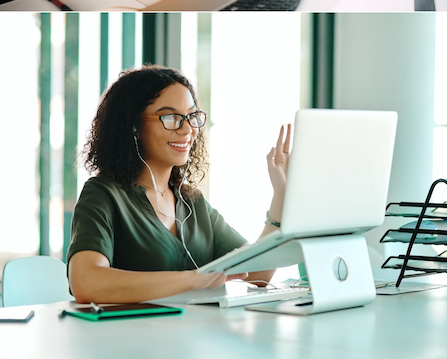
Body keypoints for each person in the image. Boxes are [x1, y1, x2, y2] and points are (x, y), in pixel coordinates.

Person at [67, 65, 290, 304]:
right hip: (130, 338)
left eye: (192, 116)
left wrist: (282, 194)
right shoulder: (103, 194)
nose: (187, 129)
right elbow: (86, 282)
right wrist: (196, 279)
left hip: (191, 338)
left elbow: (257, 275)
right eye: (171, 117)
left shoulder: (193, 203)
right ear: (133, 126)